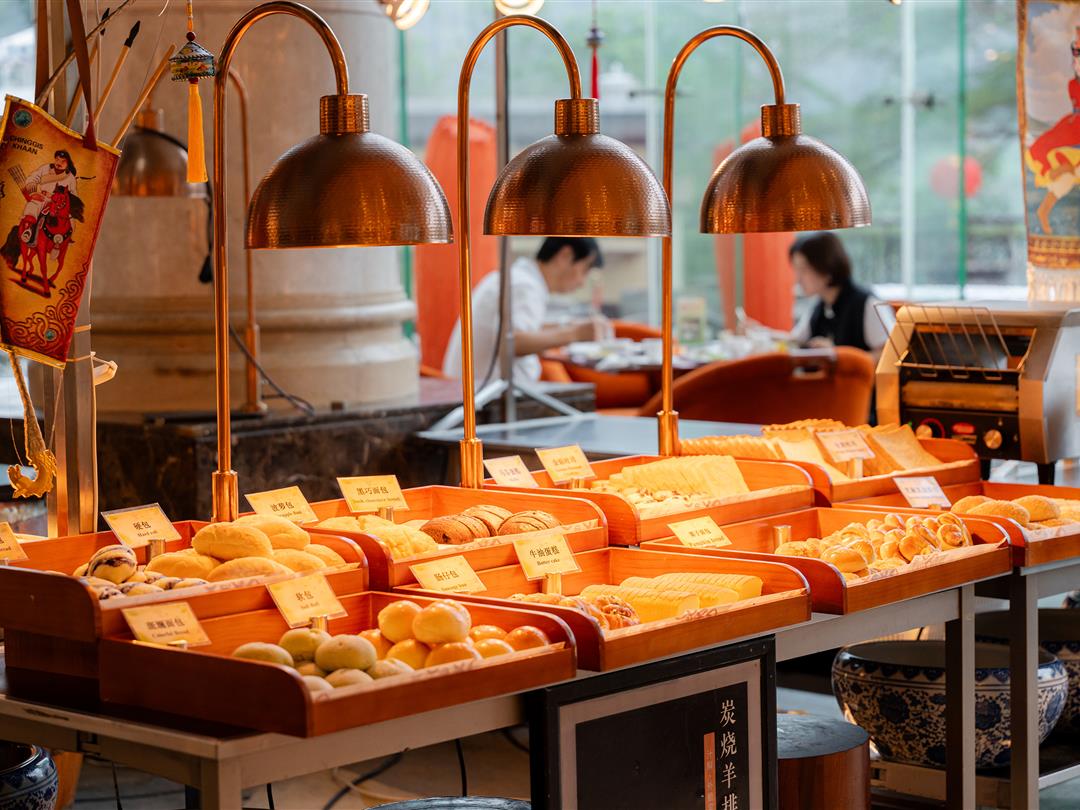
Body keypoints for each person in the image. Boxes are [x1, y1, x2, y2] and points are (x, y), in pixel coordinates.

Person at [442, 237, 607, 381]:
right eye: (585, 270)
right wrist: (575, 334)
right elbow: (511, 341)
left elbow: (522, 330)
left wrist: (568, 327)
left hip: (472, 389)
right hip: (489, 398)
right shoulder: (525, 286)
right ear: (565, 256)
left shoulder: (517, 278)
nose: (582, 282)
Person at [788, 232, 891, 356]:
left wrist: (838, 355)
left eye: (804, 269)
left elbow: (888, 354)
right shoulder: (821, 306)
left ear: (826, 267)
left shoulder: (867, 304)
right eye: (796, 269)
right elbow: (795, 339)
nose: (798, 278)